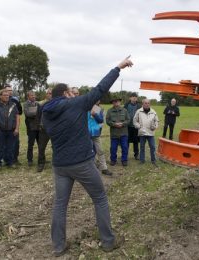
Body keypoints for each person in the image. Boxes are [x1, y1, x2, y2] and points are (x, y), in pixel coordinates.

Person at [42, 56, 133, 256]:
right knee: (100, 198)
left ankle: (58, 246)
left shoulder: (46, 113)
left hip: (60, 165)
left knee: (60, 204)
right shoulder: (75, 104)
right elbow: (100, 89)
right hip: (82, 163)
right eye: (69, 92)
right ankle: (108, 242)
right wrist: (118, 67)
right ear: (66, 93)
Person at [0, 89, 20, 171]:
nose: (7, 97)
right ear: (0, 96)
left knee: (10, 147)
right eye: (5, 95)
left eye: (8, 95)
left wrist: (17, 128)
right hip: (0, 130)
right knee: (0, 147)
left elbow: (17, 116)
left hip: (11, 130)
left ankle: (9, 162)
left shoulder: (13, 104)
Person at [89, 100, 112, 176]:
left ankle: (104, 168)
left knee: (100, 150)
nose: (96, 101)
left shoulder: (99, 109)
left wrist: (95, 114)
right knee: (89, 152)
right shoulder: (85, 107)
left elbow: (101, 120)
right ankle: (92, 168)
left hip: (96, 133)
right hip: (86, 133)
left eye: (98, 99)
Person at [133, 99, 159, 166]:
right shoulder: (138, 111)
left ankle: (153, 160)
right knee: (142, 147)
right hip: (142, 132)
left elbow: (157, 121)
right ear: (143, 104)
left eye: (148, 103)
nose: (147, 104)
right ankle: (142, 160)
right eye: (145, 103)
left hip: (151, 133)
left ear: (149, 104)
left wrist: (155, 126)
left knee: (152, 147)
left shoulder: (153, 112)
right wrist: (138, 126)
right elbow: (135, 121)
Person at [106, 98, 130, 166]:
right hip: (114, 133)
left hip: (123, 133)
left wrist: (122, 124)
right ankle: (113, 160)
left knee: (125, 147)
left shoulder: (124, 110)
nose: (116, 103)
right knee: (113, 148)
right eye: (114, 102)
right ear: (112, 103)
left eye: (117, 101)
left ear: (120, 102)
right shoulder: (109, 111)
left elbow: (128, 120)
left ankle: (124, 160)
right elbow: (107, 121)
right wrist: (114, 124)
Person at [4, 84, 22, 165]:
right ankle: (6, 160)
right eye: (8, 90)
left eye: (11, 91)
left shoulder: (15, 100)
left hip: (14, 126)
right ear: (4, 91)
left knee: (16, 143)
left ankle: (15, 159)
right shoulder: (0, 100)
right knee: (5, 143)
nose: (10, 92)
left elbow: (20, 112)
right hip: (4, 127)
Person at [36, 88, 52, 172]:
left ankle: (57, 163)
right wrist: (39, 125)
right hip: (44, 129)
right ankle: (41, 163)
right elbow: (38, 116)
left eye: (52, 93)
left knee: (56, 147)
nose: (50, 95)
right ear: (46, 94)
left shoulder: (57, 103)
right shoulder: (41, 104)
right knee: (41, 147)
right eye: (49, 93)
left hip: (54, 129)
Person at [24, 90, 40, 166]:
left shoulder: (37, 103)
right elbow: (28, 114)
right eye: (32, 95)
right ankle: (29, 160)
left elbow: (40, 113)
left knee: (41, 144)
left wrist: (34, 112)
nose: (34, 96)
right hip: (31, 128)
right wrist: (36, 112)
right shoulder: (26, 104)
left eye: (34, 95)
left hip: (38, 127)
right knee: (31, 144)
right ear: (28, 97)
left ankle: (41, 159)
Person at [124, 92, 141, 160]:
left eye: (135, 97)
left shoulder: (139, 106)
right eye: (133, 97)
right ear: (130, 98)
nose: (134, 98)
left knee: (136, 141)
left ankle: (136, 154)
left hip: (136, 127)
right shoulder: (126, 105)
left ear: (137, 98)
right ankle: (125, 154)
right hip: (127, 126)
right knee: (126, 141)